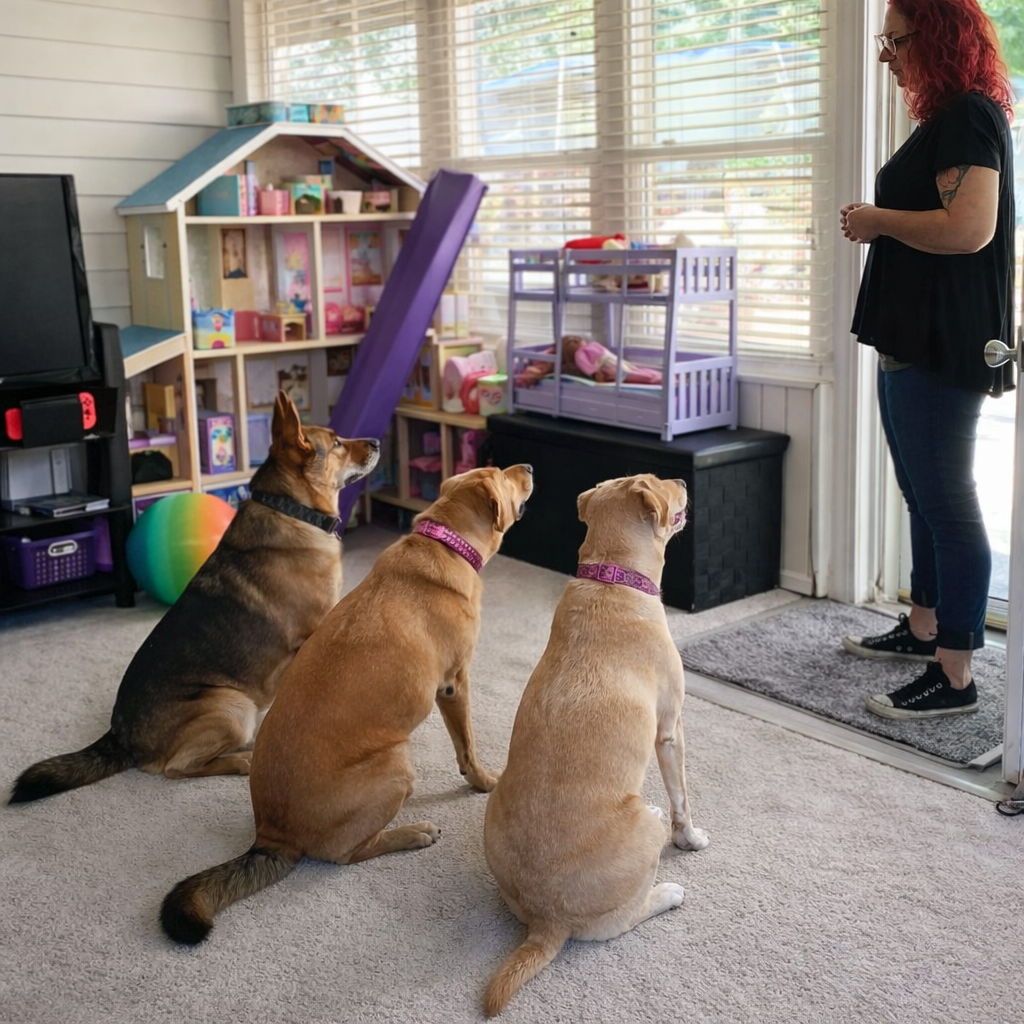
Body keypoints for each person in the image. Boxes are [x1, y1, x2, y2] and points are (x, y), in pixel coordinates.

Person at [839, 0, 1016, 721]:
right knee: (922, 499)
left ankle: (956, 675)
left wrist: (877, 220)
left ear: (936, 37)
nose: (887, 55)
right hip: (912, 338)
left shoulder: (971, 116)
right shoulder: (945, 121)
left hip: (945, 342)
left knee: (948, 507)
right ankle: (923, 630)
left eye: (896, 40)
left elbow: (969, 229)